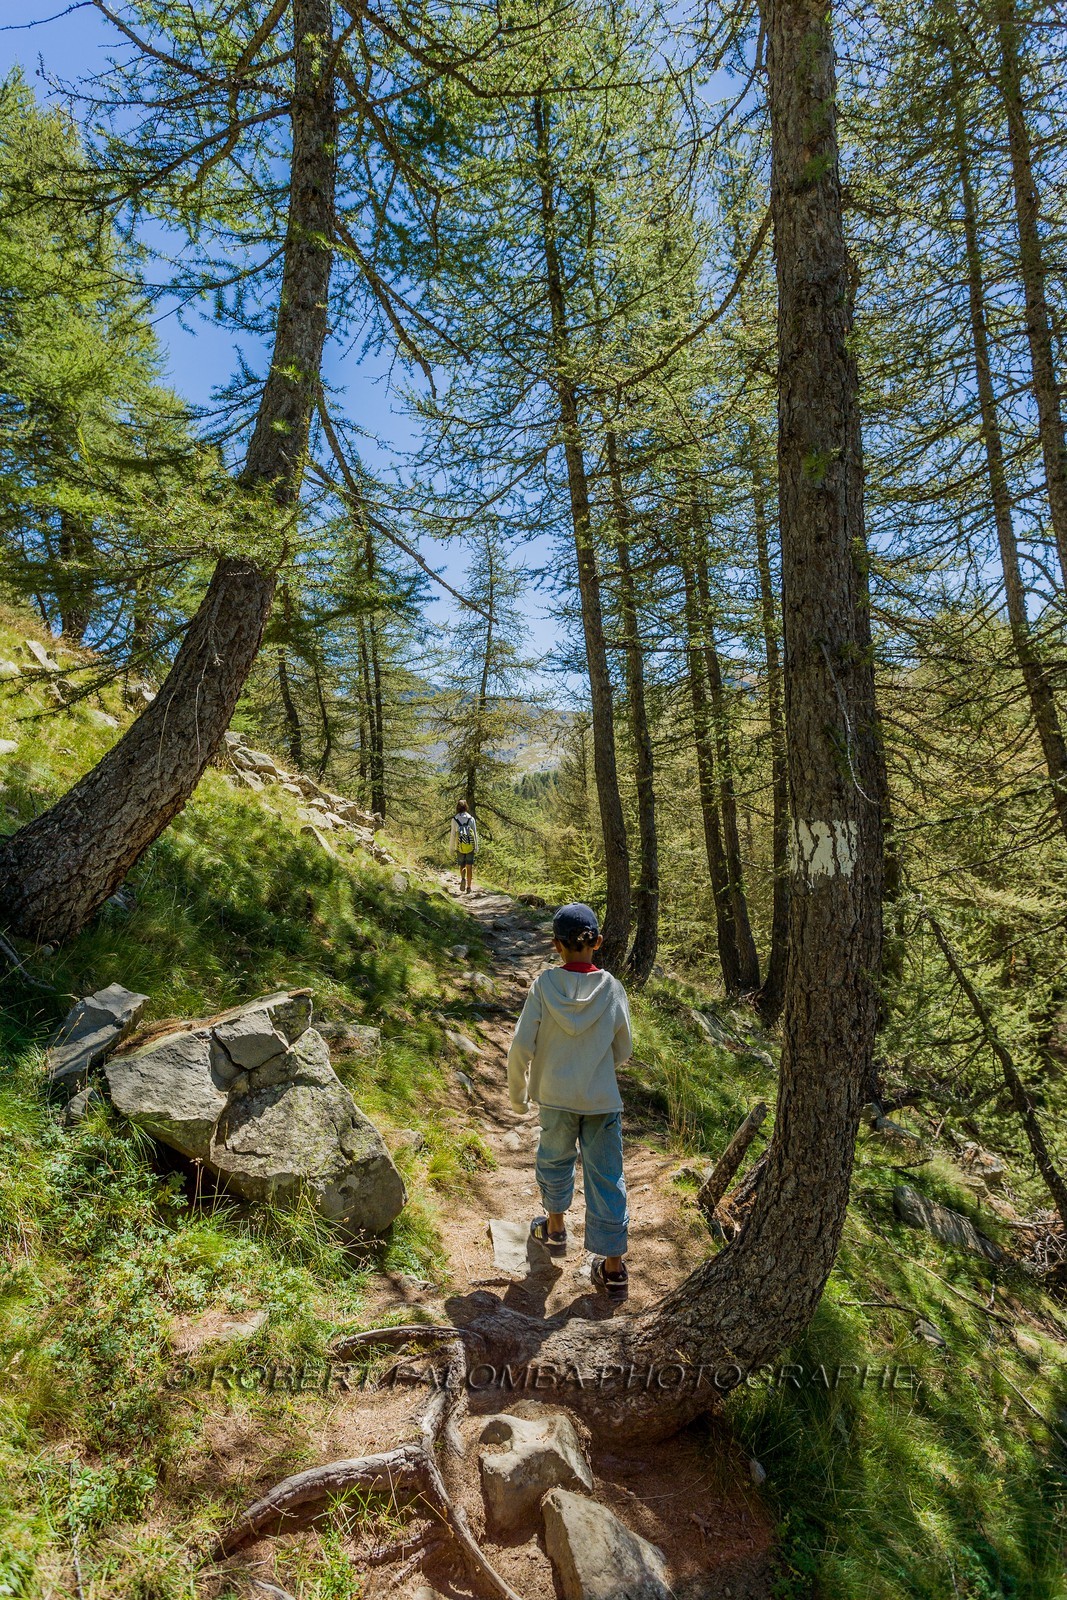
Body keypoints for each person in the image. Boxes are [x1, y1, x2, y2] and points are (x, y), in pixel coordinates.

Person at [506, 902, 632, 1301]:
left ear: (555, 945)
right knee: (607, 1176)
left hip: (555, 1097)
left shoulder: (544, 986)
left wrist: (518, 1096)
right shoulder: (612, 988)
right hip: (601, 1100)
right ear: (598, 941)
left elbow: (521, 1046)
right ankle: (613, 1268)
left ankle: (556, 1228)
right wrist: (596, 1067)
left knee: (555, 1159)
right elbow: (624, 1048)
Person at [449, 799, 478, 894]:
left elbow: (453, 835)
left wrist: (451, 849)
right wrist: (476, 847)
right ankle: (469, 887)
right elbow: (475, 834)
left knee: (462, 865)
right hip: (470, 846)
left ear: (457, 808)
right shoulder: (471, 819)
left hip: (459, 846)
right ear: (466, 807)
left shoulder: (455, 819)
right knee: (469, 867)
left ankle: (462, 878)